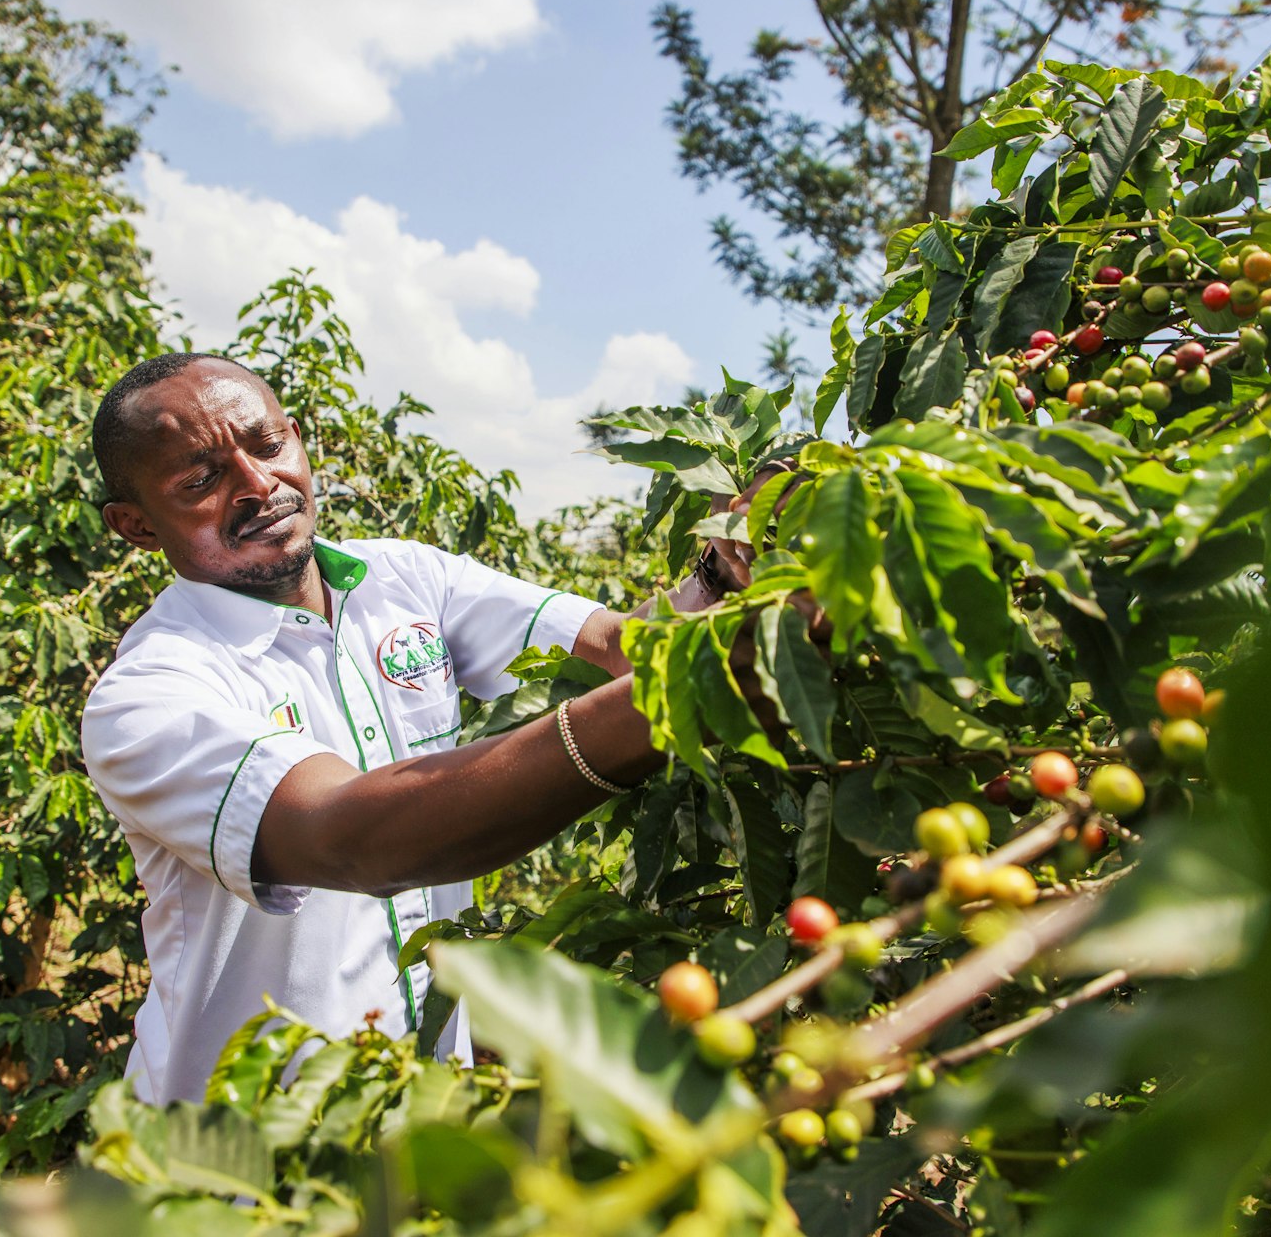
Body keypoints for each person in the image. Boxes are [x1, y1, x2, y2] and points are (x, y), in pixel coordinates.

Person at [80, 352, 779, 1104]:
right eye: (200, 481)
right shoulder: (150, 695)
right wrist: (686, 690)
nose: (257, 485)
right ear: (135, 525)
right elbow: (356, 840)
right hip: (242, 1156)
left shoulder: (406, 580)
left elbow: (620, 649)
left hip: (427, 1114)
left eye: (269, 445)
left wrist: (724, 567)